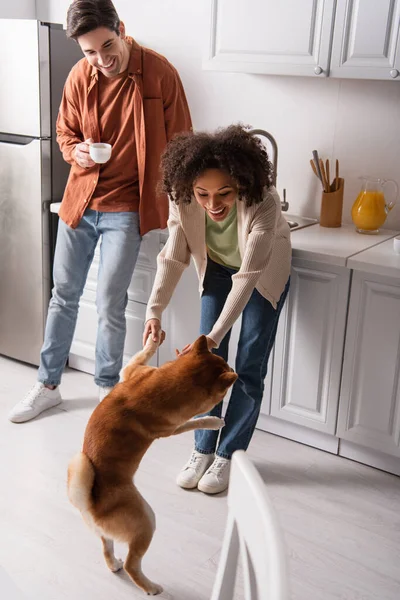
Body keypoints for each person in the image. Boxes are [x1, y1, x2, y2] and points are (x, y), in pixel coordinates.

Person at [9, 0, 192, 424]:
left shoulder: (159, 74)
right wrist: (78, 154)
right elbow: (64, 132)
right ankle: (48, 385)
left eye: (107, 47)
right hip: (80, 200)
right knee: (63, 296)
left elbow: (183, 142)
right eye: (89, 52)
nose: (101, 60)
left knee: (111, 303)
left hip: (128, 208)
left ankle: (107, 390)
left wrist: (184, 205)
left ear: (121, 29)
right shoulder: (79, 75)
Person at [143, 125, 291, 494]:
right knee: (203, 366)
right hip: (217, 269)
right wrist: (154, 310)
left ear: (241, 184)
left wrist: (210, 337)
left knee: (249, 364)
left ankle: (229, 454)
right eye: (202, 194)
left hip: (261, 275)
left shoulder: (264, 201)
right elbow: (174, 256)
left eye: (225, 193)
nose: (213, 205)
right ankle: (202, 449)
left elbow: (248, 276)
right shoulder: (183, 198)